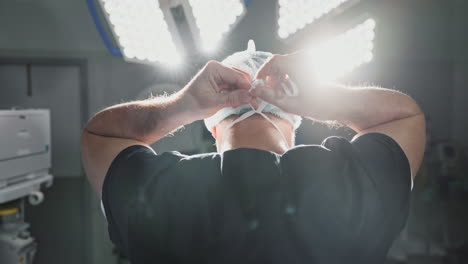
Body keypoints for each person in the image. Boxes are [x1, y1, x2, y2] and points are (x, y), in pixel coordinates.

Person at [81, 42, 426, 264]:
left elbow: (99, 134)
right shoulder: (351, 191)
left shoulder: (162, 197)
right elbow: (404, 115)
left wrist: (183, 105)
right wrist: (321, 98)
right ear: (295, 119)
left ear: (212, 125)